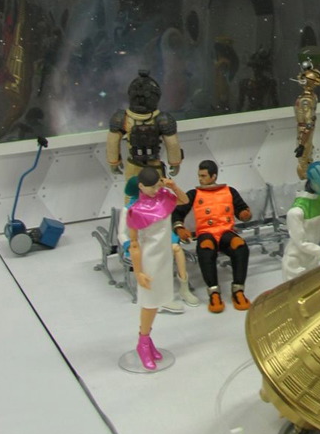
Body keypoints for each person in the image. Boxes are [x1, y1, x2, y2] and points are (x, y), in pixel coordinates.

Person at [126, 167, 189, 371]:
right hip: (149, 259)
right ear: (140, 186)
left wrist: (173, 186)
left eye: (156, 186)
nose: (155, 190)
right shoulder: (136, 210)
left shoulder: (164, 197)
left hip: (164, 257)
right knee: (149, 303)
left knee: (156, 302)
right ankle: (143, 342)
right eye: (150, 187)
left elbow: (184, 200)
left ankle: (146, 339)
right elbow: (134, 243)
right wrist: (138, 271)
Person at [172, 160, 252, 313]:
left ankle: (238, 290)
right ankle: (214, 292)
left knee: (240, 246)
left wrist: (244, 214)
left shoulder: (229, 191)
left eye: (203, 176)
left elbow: (241, 208)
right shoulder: (194, 194)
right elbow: (177, 212)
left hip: (225, 232)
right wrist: (179, 227)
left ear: (213, 176)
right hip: (206, 233)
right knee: (205, 249)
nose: (200, 179)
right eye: (199, 175)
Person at [107, 69, 182, 181]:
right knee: (155, 191)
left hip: (134, 164)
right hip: (153, 165)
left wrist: (114, 162)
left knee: (133, 190)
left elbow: (112, 141)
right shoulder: (162, 119)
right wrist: (175, 162)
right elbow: (172, 143)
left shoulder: (122, 118)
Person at [282, 161, 320, 280]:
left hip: (313, 258)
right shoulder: (296, 211)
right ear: (312, 181)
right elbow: (301, 242)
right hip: (295, 261)